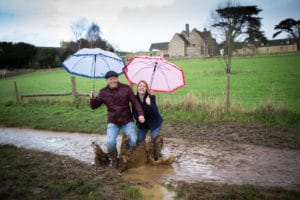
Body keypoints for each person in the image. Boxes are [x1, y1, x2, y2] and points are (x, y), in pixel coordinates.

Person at [90, 71, 145, 167]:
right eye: (110, 79)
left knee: (133, 140)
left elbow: (135, 102)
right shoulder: (103, 92)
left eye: (114, 78)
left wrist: (141, 114)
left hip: (127, 120)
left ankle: (126, 156)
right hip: (113, 121)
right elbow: (94, 106)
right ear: (107, 80)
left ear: (117, 79)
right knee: (110, 143)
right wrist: (93, 99)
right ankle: (114, 159)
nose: (113, 81)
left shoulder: (126, 88)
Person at [133, 80, 163, 161]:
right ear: (137, 88)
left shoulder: (151, 96)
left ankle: (157, 155)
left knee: (155, 139)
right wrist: (138, 118)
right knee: (139, 140)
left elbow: (155, 111)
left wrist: (150, 104)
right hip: (143, 124)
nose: (142, 87)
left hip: (154, 122)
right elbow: (134, 112)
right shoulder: (135, 99)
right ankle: (143, 154)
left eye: (144, 86)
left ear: (146, 88)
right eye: (140, 86)